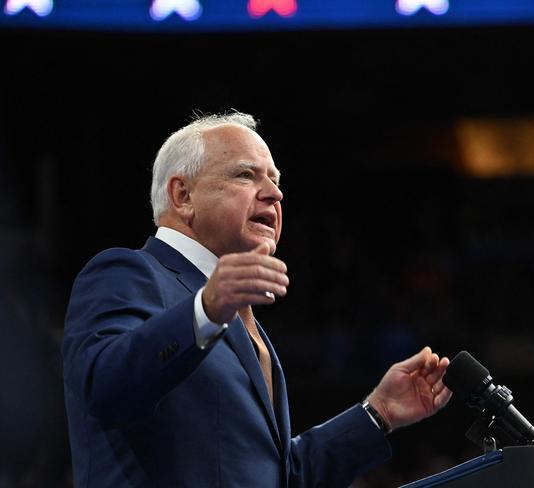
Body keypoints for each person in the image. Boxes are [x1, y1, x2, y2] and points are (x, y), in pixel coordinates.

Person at [62, 112, 452, 487]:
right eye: (245, 175)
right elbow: (104, 389)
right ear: (182, 196)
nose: (275, 193)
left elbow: (275, 477)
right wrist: (206, 309)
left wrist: (377, 414)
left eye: (275, 180)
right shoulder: (128, 273)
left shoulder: (241, 320)